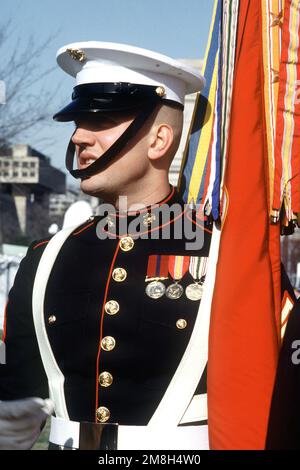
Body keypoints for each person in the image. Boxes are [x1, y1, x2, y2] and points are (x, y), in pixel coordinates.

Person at [0, 41, 212, 450]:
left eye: (101, 120)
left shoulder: (225, 252)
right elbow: (14, 415)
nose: (78, 136)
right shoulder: (45, 259)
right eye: (78, 121)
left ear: (159, 140)